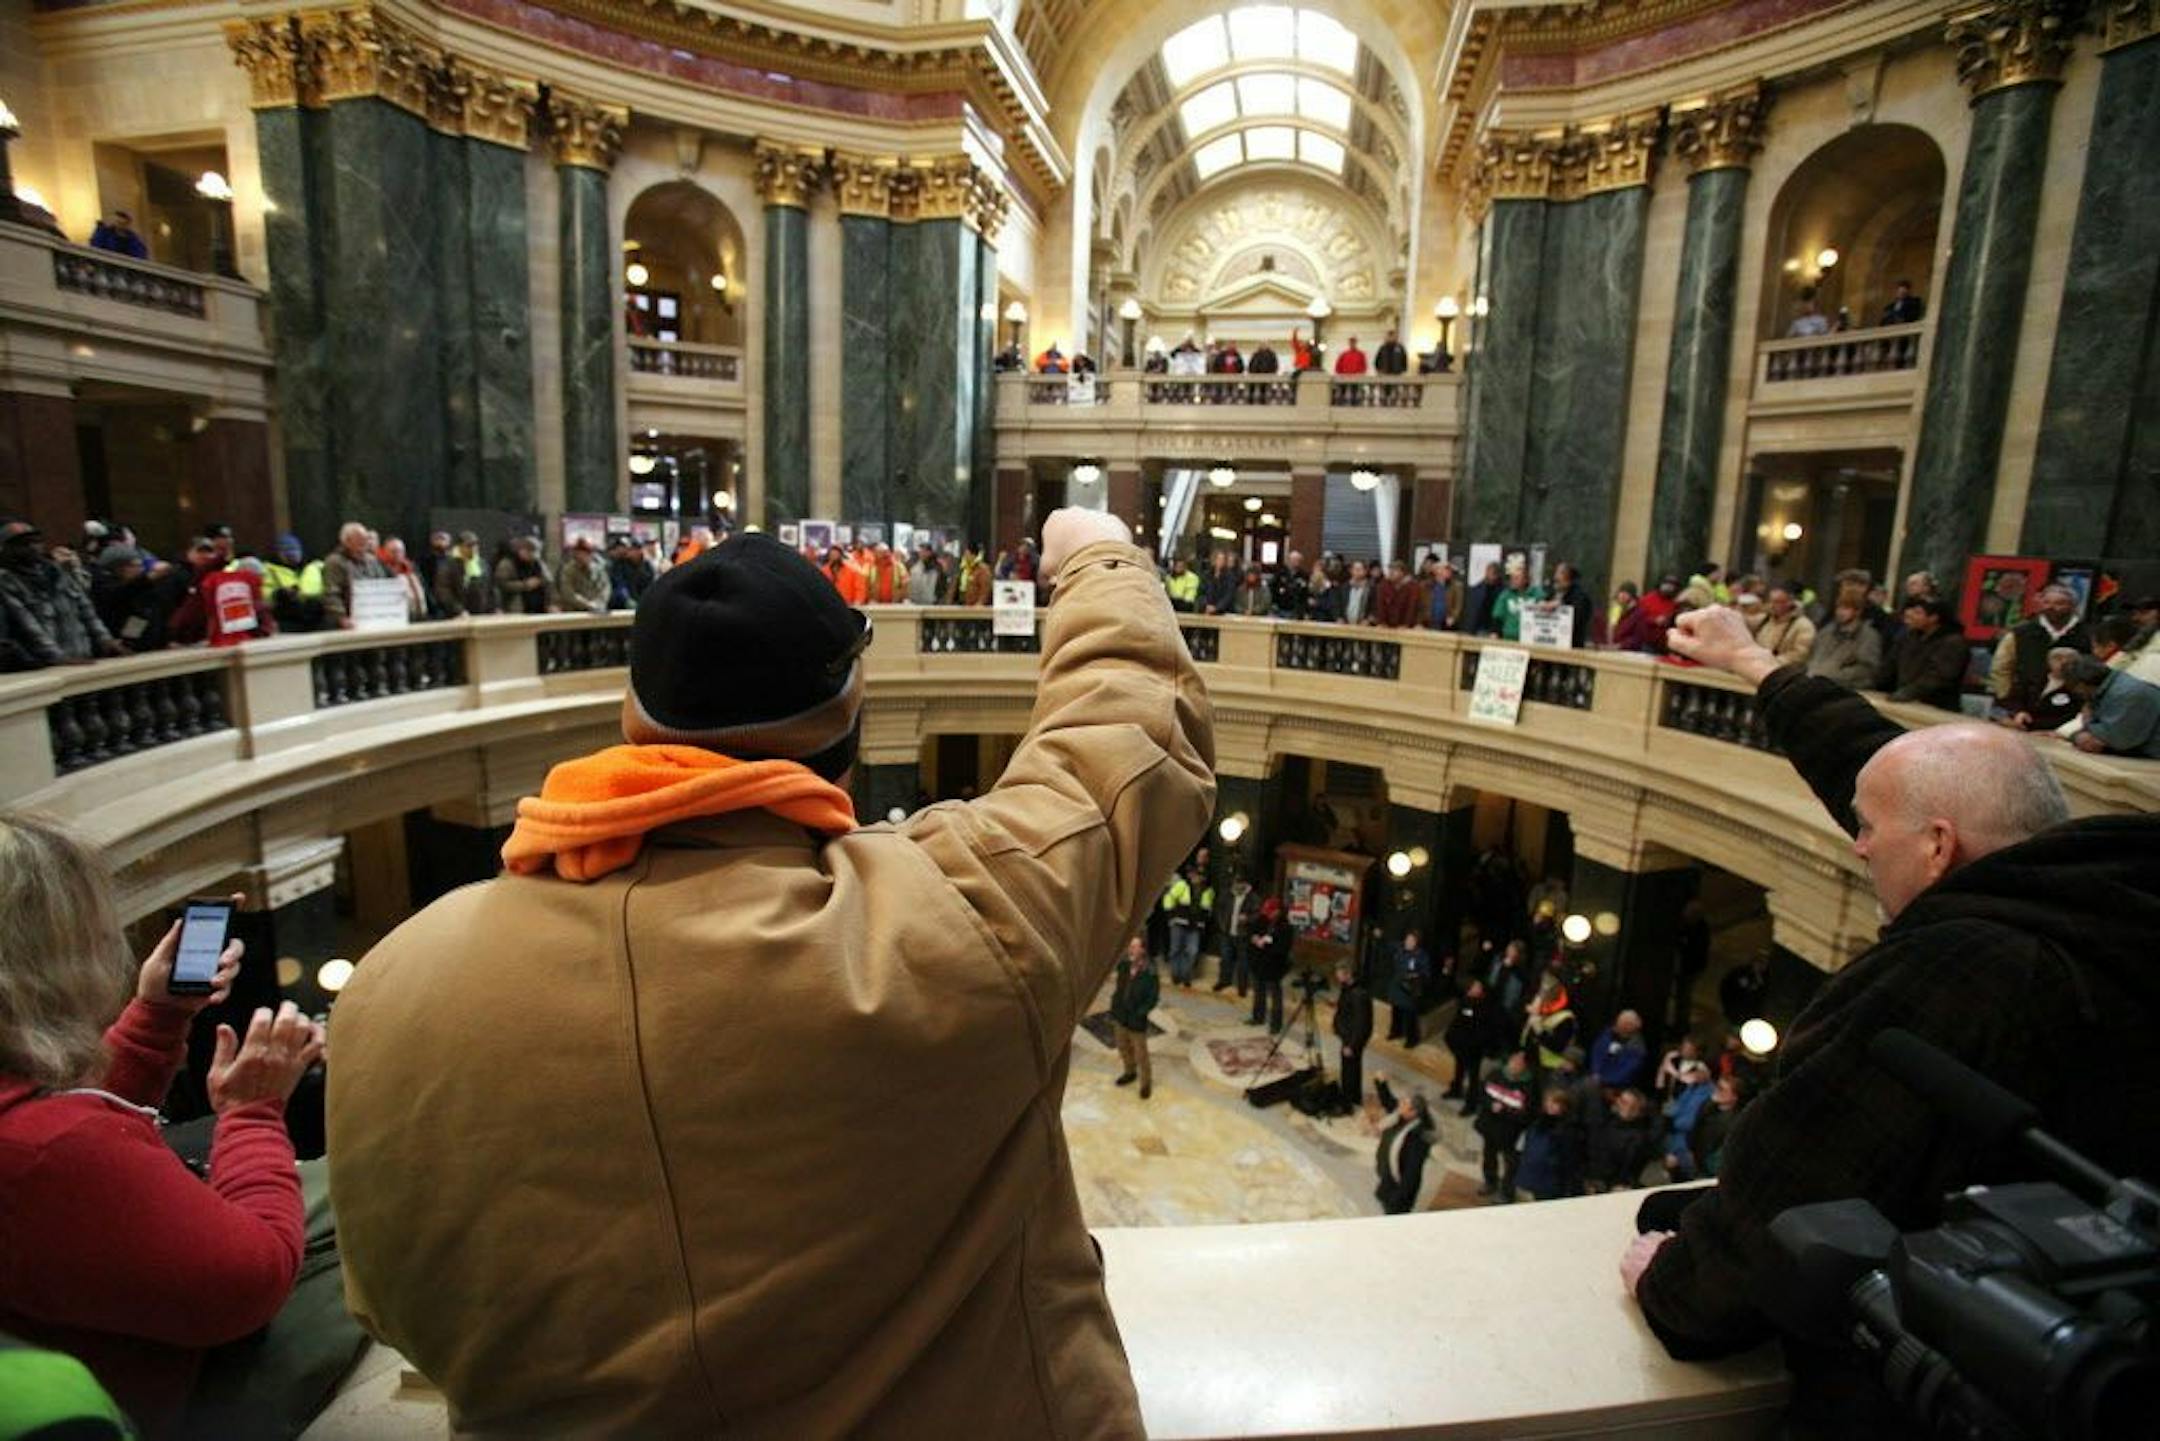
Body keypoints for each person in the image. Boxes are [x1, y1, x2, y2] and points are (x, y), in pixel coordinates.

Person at [326, 509, 1213, 1435]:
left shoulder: (389, 993)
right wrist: (1097, 556)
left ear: (633, 718)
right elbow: (1131, 741)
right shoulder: (958, 920)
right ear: (847, 720)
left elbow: (391, 1306)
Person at [1622, 603, 2160, 1430]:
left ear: (1939, 847)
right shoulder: (2097, 891)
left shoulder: (1970, 968)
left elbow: (1805, 1170)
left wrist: (1676, 1286)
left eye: (1870, 831)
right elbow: (1875, 772)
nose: (1859, 845)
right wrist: (1756, 664)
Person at [0, 814, 326, 1434]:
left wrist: (156, 1018)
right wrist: (254, 1115)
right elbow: (249, 1282)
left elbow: (68, 1120)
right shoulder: (44, 1154)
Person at [0, 521, 125, 664]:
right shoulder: (6, 580)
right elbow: (29, 625)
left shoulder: (57, 572)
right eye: (23, 543)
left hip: (82, 655)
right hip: (47, 663)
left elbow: (86, 609)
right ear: (7, 548)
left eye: (36, 542)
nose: (32, 547)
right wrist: (58, 657)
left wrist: (106, 640)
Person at [1988, 582, 2089, 718]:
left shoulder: (2087, 635)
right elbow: (2001, 668)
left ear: (2072, 606)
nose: (2051, 607)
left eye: (2059, 603)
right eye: (2047, 602)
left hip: (2069, 709)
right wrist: (2009, 702)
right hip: (2022, 706)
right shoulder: (2020, 633)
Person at [2058, 653, 2160, 757]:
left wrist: (2078, 734)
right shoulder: (2112, 687)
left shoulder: (2127, 692)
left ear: (2080, 686)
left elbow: (2117, 740)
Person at [1877, 594, 1967, 709]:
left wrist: (1907, 693)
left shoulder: (1953, 642)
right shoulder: (1907, 636)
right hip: (1903, 700)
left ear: (1933, 618)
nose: (1911, 616)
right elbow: (1889, 666)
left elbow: (1938, 677)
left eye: (1917, 613)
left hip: (1935, 706)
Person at [1474, 1051, 1535, 1202]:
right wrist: (1490, 1105)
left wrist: (1505, 1111)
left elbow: (1528, 1112)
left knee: (1511, 1163)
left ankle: (1507, 1192)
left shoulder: (1529, 1085)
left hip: (1510, 1132)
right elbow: (1482, 1093)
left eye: (1518, 1063)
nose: (1514, 1065)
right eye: (1513, 1060)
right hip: (1490, 1126)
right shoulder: (1496, 1074)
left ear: (1525, 1066)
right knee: (1489, 1155)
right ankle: (1490, 1182)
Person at [1371, 1078, 1434, 1215]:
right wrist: (1381, 1084)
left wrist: (1397, 1200)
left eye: (1404, 1103)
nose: (1400, 1104)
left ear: (1413, 1113)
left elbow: (1411, 1176)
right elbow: (1389, 1102)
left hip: (1398, 1190)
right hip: (1389, 1178)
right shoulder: (1400, 1117)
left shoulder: (1418, 1139)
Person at [1516, 1085, 1586, 1201]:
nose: (1550, 1105)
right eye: (1548, 1101)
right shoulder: (1537, 1123)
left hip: (1553, 1180)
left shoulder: (1568, 1129)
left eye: (1555, 1102)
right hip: (1535, 1175)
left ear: (1564, 1106)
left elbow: (1569, 1160)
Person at [1584, 1087, 1660, 1193]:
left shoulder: (1639, 1136)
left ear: (1636, 1109)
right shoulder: (1605, 1124)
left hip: (1619, 1188)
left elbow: (1630, 1167)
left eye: (1625, 1102)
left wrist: (1617, 1184)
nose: (1619, 1103)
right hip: (1594, 1184)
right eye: (1620, 1100)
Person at [1110, 938, 1158, 1101]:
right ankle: (1129, 1072)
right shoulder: (1124, 965)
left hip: (1136, 1018)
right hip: (1120, 1014)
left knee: (1141, 1054)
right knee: (1122, 1047)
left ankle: (1146, 1084)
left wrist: (1140, 1012)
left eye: (1134, 946)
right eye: (1129, 945)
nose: (1130, 949)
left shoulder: (1150, 971)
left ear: (1143, 950)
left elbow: (1153, 998)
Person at [319, 522, 389, 629]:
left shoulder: (372, 560)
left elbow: (382, 585)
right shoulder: (334, 562)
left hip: (374, 617)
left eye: (365, 538)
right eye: (359, 539)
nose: (365, 542)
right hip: (346, 623)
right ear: (346, 541)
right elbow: (331, 593)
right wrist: (342, 618)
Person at [1805, 594, 1882, 689]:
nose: (1840, 612)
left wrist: (1832, 676)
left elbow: (1867, 670)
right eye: (1838, 608)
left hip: (1845, 687)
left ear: (1858, 611)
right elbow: (1812, 657)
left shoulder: (1868, 636)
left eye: (1846, 608)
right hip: (1815, 682)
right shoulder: (1826, 632)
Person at [1246, 895, 1292, 1033]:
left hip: (1274, 966)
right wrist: (1254, 939)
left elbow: (1283, 948)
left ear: (1278, 911)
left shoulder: (1285, 927)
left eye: (1271, 912)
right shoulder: (1262, 920)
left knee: (1275, 996)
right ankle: (1257, 1017)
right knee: (1259, 992)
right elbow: (1252, 931)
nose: (1268, 915)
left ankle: (1275, 1024)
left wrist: (1266, 944)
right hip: (1259, 963)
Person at [1332, 963, 1373, 1106]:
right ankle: (1350, 1097)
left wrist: (1352, 1045)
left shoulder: (1358, 994)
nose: (1337, 976)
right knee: (1348, 1068)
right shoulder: (1348, 989)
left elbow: (1361, 1023)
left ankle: (1350, 1100)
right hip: (1347, 1036)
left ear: (1348, 974)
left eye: (1339, 973)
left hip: (1352, 1039)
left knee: (1351, 1070)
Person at [1385, 930, 1430, 1046]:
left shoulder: (1421, 956)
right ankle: (1396, 1031)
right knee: (1396, 1011)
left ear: (1417, 943)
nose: (1408, 942)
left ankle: (1412, 1038)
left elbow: (1426, 973)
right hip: (1397, 985)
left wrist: (1416, 975)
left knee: (1410, 1015)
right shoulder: (1400, 949)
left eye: (1411, 941)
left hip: (1410, 988)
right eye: (1407, 939)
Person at [1751, 585, 1815, 664]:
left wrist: (1772, 662)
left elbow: (1800, 654)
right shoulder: (1765, 620)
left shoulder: (1804, 625)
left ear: (1789, 602)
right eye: (1770, 601)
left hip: (1784, 671)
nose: (1772, 605)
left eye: (1777, 602)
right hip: (1759, 667)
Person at [1588, 1009, 1648, 1092]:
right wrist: (1595, 1072)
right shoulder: (1608, 1034)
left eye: (1623, 1024)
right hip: (1597, 1078)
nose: (1616, 1027)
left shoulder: (1636, 1048)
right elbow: (1597, 1053)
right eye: (1618, 1023)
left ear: (1630, 1027)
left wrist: (1603, 1081)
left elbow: (1626, 1072)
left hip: (1618, 1087)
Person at [1213, 877, 1255, 995]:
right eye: (1236, 883)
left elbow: (1257, 914)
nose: (1237, 886)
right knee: (1225, 959)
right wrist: (1222, 924)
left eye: (1240, 883)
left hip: (1243, 934)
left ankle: (1242, 987)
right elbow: (1219, 909)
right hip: (1227, 932)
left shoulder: (1252, 898)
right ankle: (1223, 981)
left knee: (1243, 962)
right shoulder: (1228, 895)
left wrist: (1248, 918)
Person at [494, 535, 551, 615]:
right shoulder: (508, 563)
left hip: (539, 607)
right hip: (517, 607)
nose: (532, 557)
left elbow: (549, 580)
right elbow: (501, 585)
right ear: (522, 550)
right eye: (530, 553)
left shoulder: (538, 563)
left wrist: (540, 581)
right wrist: (525, 585)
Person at [554, 537, 610, 614]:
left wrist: (599, 603)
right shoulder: (568, 570)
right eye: (578, 553)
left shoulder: (598, 570)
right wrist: (588, 605)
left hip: (597, 610)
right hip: (575, 611)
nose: (580, 556)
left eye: (584, 553)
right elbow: (569, 593)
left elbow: (605, 589)